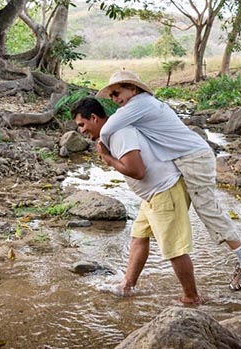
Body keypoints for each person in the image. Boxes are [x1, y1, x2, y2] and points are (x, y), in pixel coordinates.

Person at [95, 70, 241, 291]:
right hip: (188, 159)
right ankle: (128, 284)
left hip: (194, 158)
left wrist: (105, 152)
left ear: (133, 88)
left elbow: (106, 129)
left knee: (208, 209)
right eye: (112, 97)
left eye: (117, 93)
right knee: (202, 211)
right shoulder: (143, 107)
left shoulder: (140, 103)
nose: (115, 100)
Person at [71, 97, 202, 305]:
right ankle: (127, 286)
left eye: (82, 124)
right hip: (153, 194)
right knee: (138, 237)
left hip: (165, 191)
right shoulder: (113, 133)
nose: (81, 131)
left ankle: (191, 297)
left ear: (94, 118)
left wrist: (108, 159)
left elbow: (137, 171)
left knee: (174, 249)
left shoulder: (119, 134)